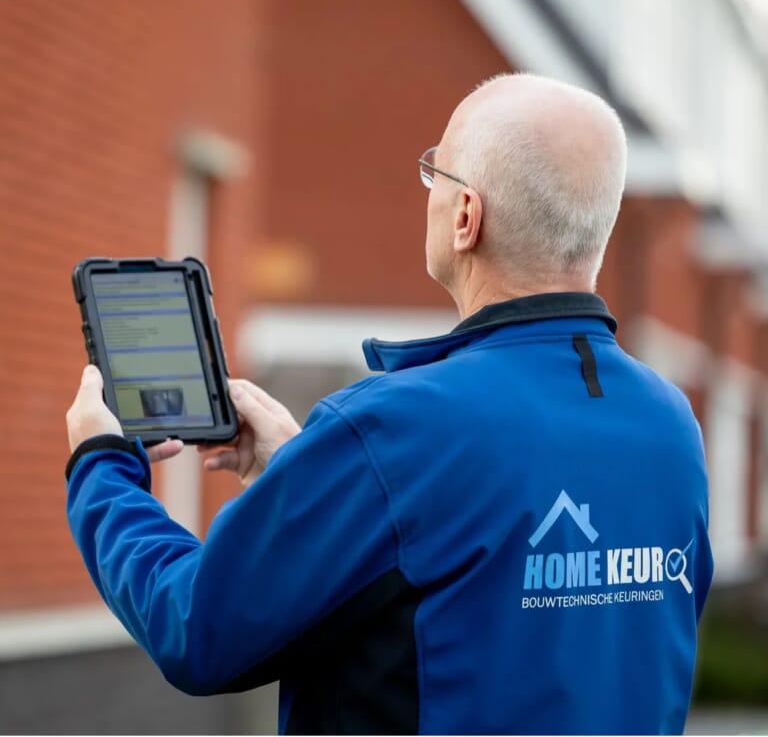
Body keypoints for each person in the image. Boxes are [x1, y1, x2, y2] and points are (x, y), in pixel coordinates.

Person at [65, 73, 713, 735]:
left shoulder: (399, 431)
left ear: (466, 216)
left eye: (436, 173)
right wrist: (305, 473)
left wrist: (100, 466)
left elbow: (196, 628)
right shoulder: (669, 423)